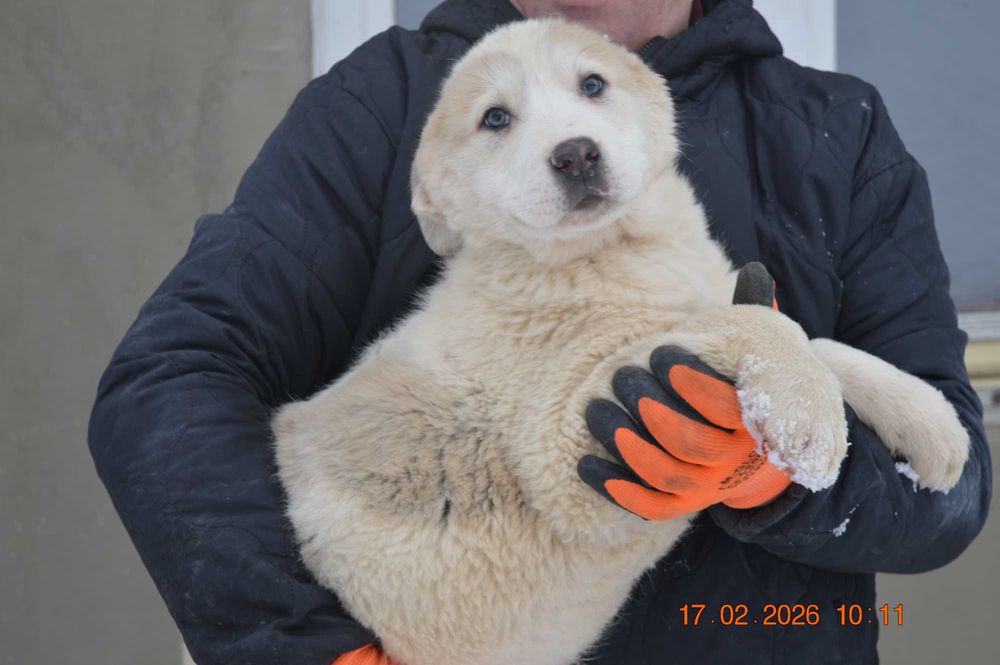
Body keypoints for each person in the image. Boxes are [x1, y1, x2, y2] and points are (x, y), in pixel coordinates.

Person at [87, 1, 991, 663]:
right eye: (502, 122)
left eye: (593, 91)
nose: (569, 140)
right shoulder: (384, 108)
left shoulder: (834, 132)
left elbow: (946, 493)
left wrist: (777, 479)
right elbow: (171, 380)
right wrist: (295, 644)